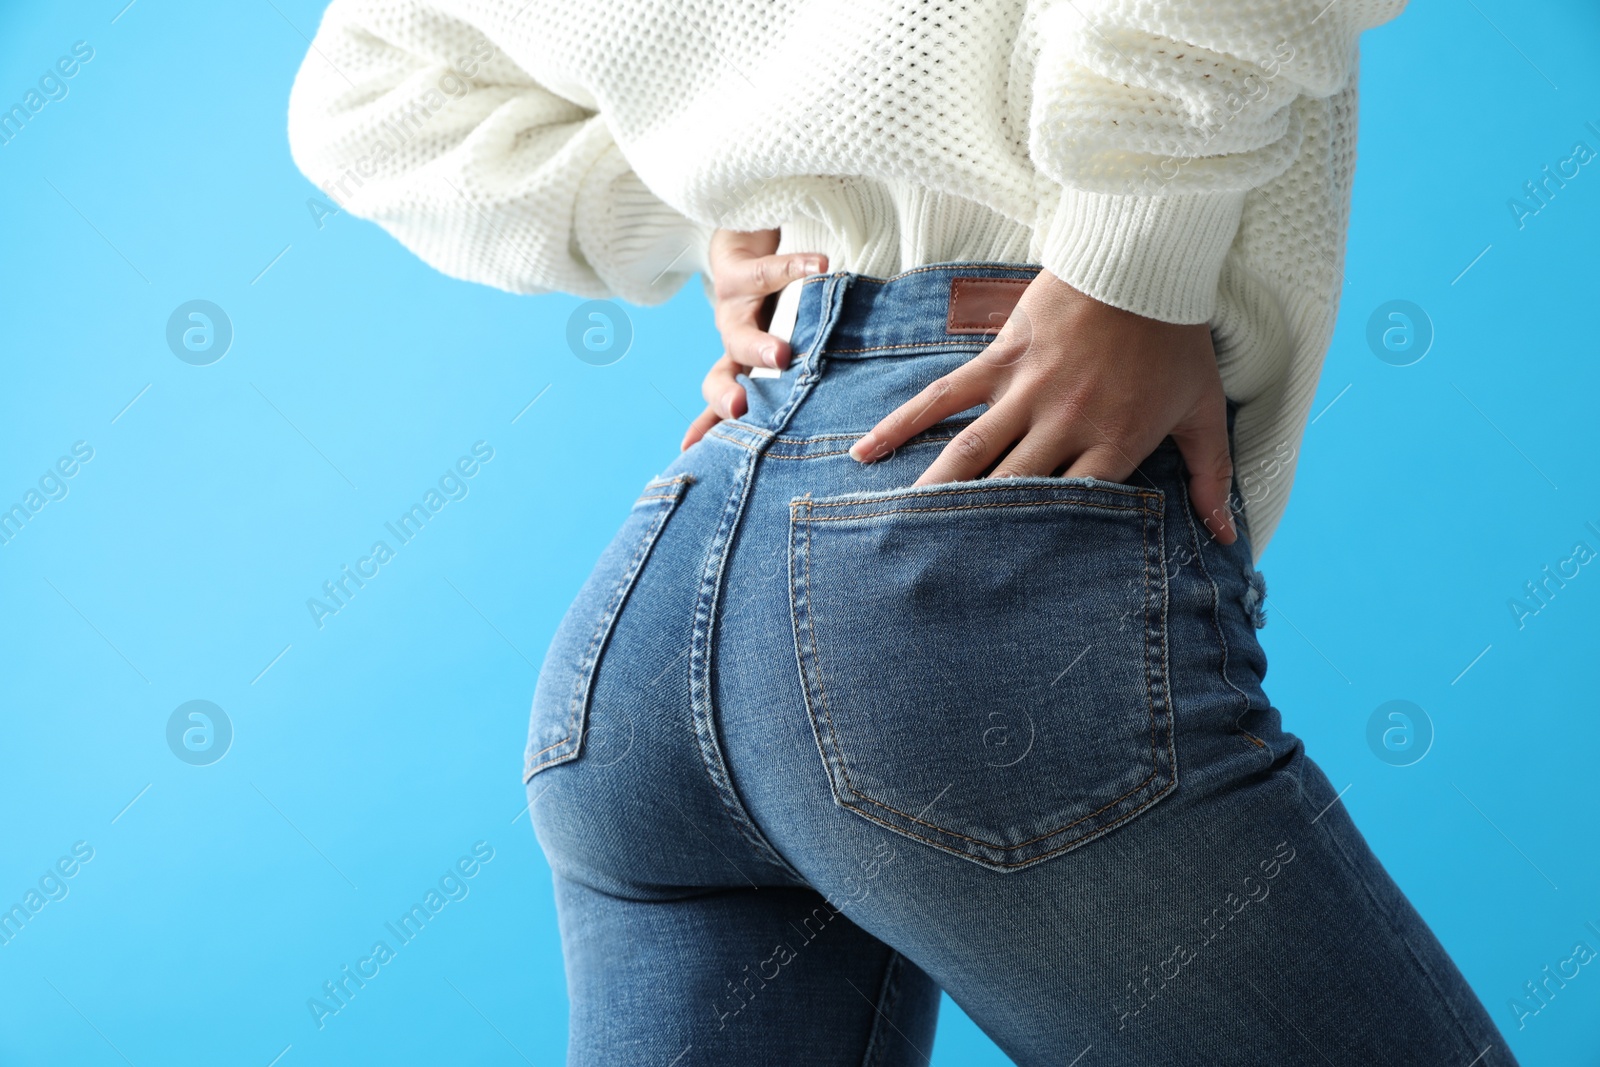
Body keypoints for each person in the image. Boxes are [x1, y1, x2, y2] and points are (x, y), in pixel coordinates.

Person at [287, 1, 1517, 1063]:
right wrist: (1131, 254)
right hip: (965, 546)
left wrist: (700, 214)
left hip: (665, 605)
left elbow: (363, 100)